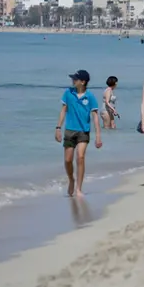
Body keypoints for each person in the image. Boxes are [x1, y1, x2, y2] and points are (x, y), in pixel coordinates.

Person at [55, 70, 103, 204]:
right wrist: (58, 128)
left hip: (83, 131)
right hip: (70, 130)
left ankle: (79, 189)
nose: (73, 81)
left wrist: (98, 135)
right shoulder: (68, 93)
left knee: (80, 157)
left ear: (83, 82)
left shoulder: (90, 97)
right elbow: (63, 111)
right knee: (68, 160)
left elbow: (95, 117)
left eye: (75, 79)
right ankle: (71, 179)